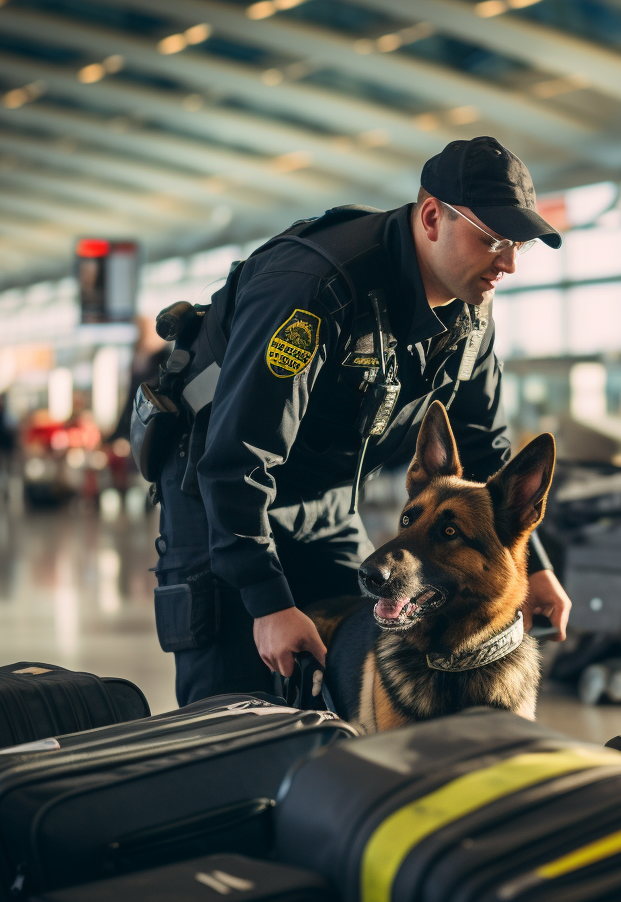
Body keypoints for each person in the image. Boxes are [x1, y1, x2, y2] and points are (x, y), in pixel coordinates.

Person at [154, 137, 572, 706]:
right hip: (220, 506)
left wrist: (534, 568)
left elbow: (486, 445)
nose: (509, 263)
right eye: (492, 239)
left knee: (345, 693)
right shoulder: (314, 289)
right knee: (232, 720)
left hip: (327, 504)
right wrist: (268, 600)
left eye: (517, 243)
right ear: (431, 217)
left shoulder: (469, 309)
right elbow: (235, 456)